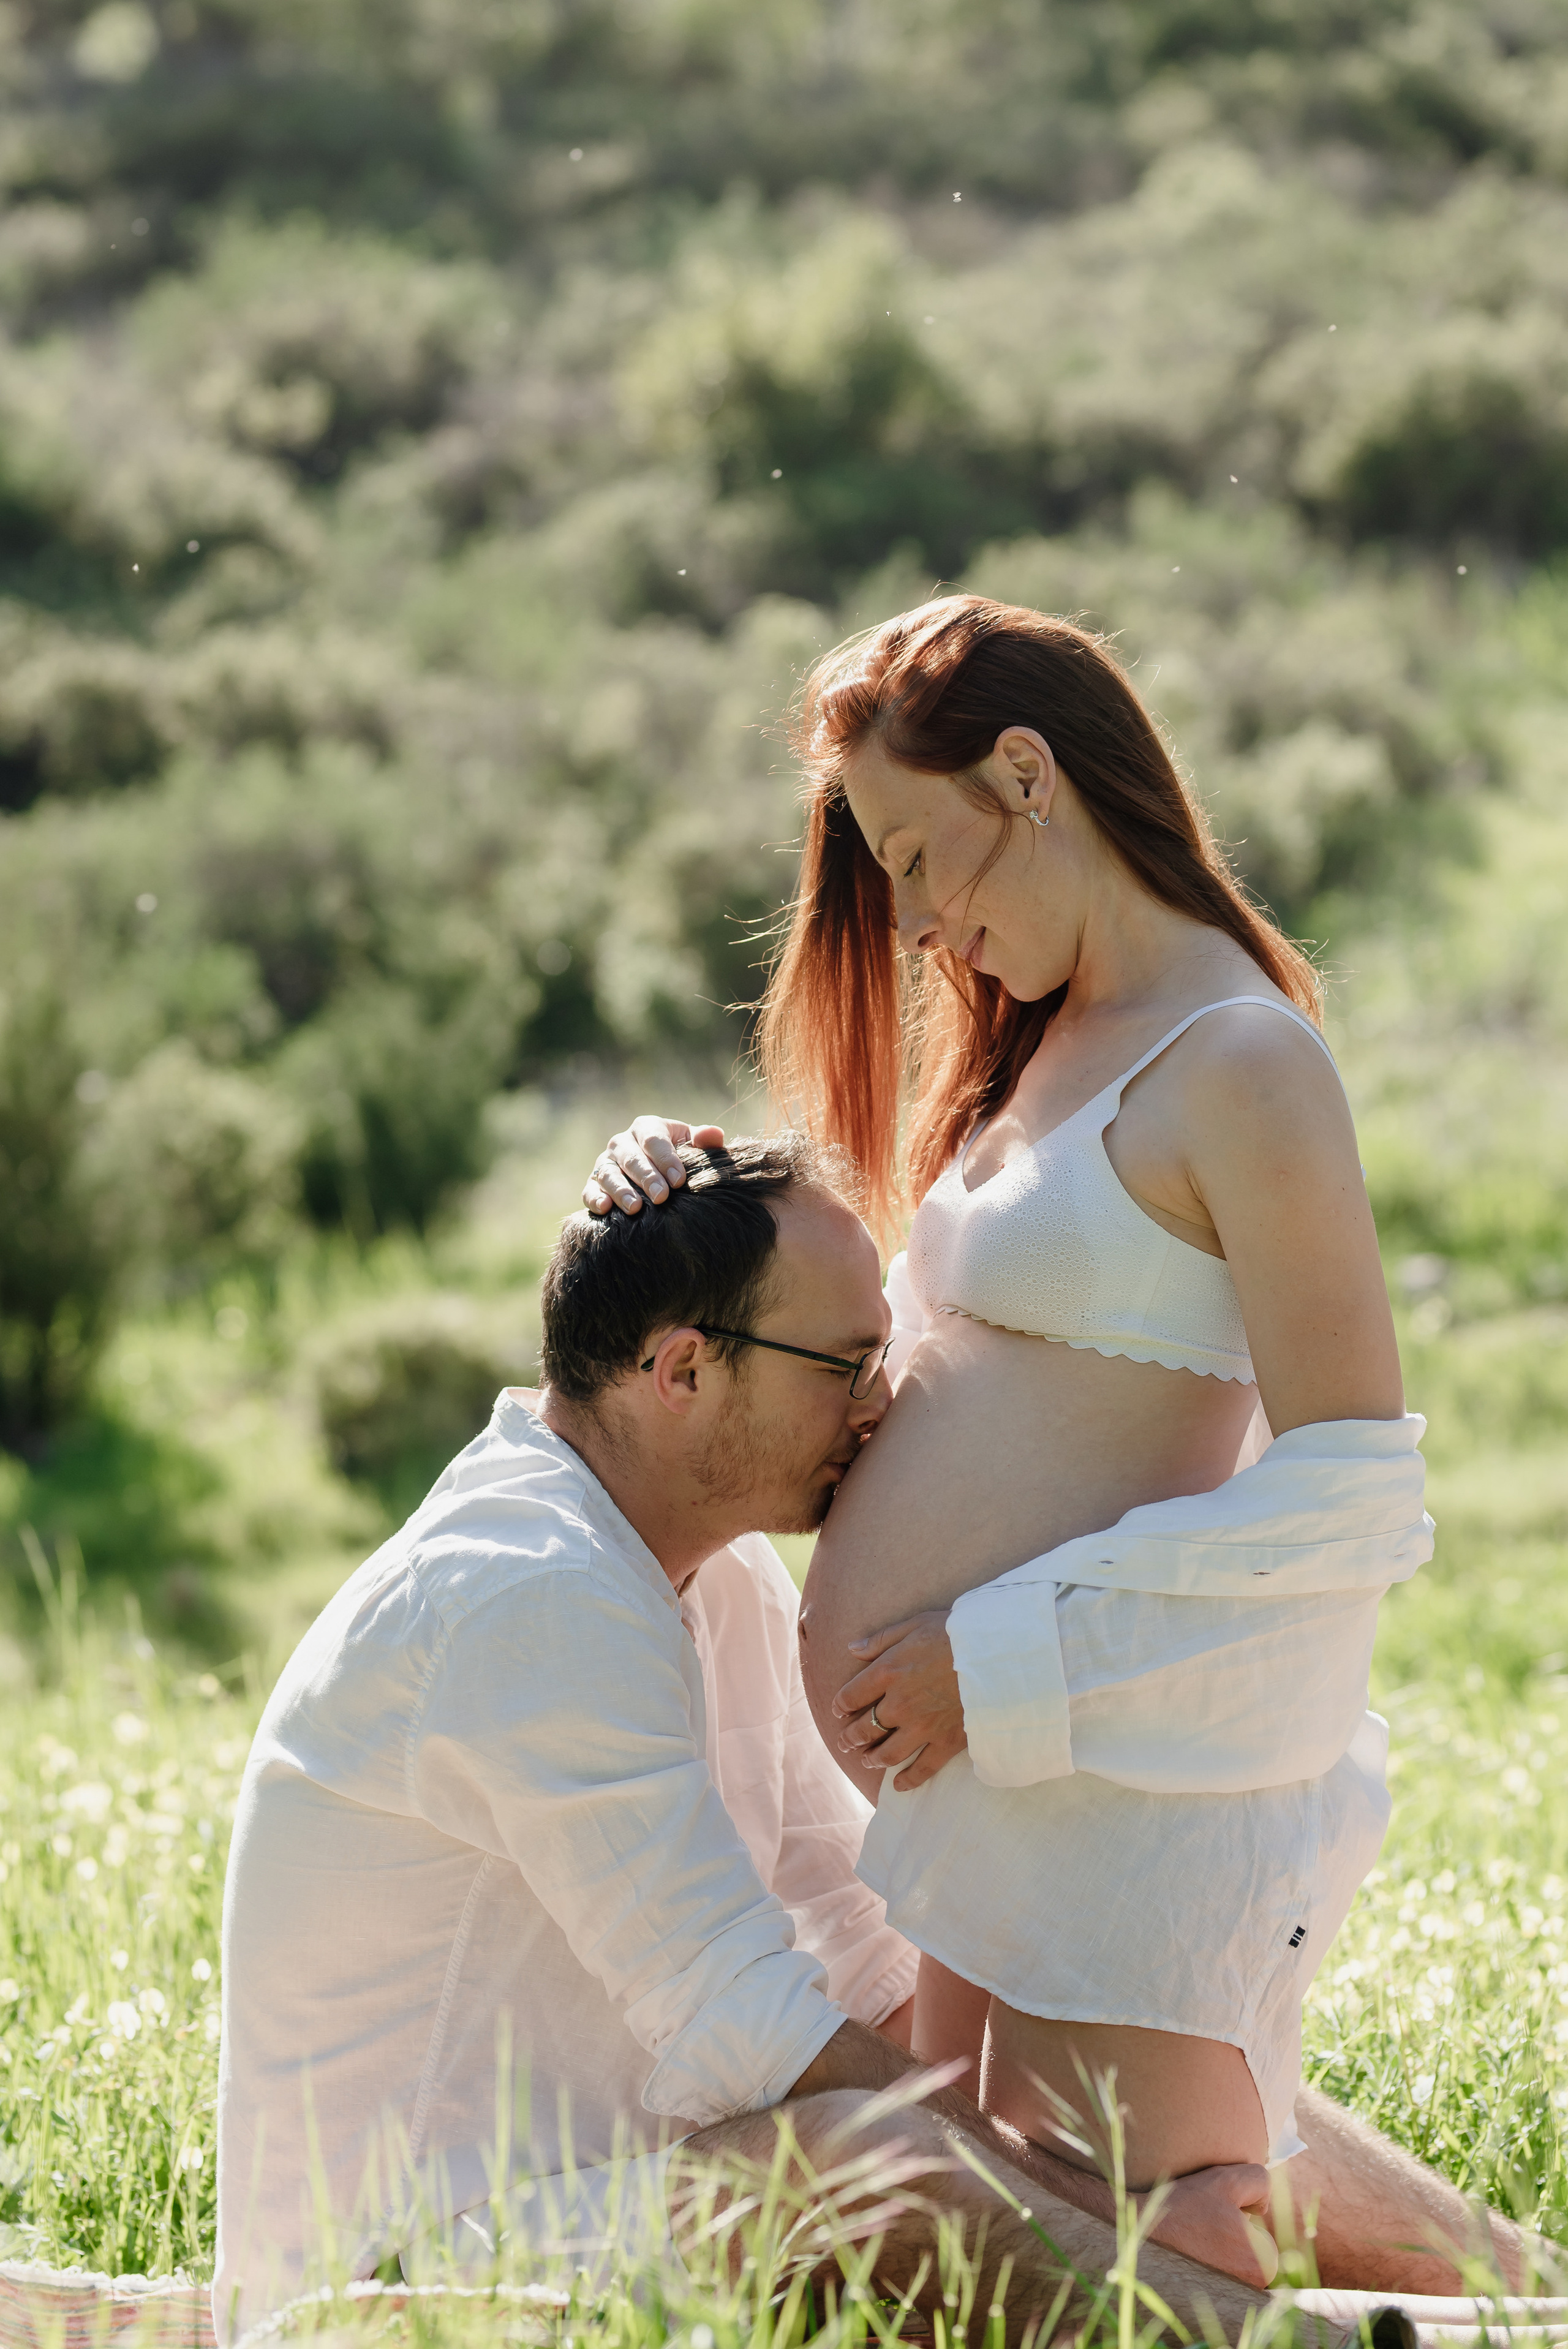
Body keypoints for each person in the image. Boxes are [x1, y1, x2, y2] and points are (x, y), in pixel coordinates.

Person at [578, 595, 1525, 2290]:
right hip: (995, 1792)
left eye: (929, 855)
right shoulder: (1046, 1041)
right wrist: (674, 1177)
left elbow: (1350, 1494)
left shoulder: (1241, 1064)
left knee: (1186, 2246)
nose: (928, 917)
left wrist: (995, 1659)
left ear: (1028, 772)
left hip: (1116, 1779)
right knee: (1021, 2260)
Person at [214, 1136, 1298, 2349]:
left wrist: (1115, 2065)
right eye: (844, 1363)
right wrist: (1112, 2225)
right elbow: (746, 2026)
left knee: (1126, 2032)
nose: (877, 1404)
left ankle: (1509, 2290)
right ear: (680, 1371)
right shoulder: (521, 1592)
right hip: (399, 2288)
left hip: (609, 2214)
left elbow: (863, 1946)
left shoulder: (712, 1575)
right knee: (861, 2158)